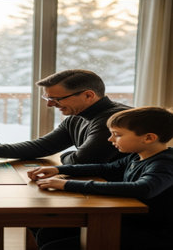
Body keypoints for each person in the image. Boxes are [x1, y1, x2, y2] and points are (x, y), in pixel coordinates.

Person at [27, 107, 173, 250]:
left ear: (148, 138)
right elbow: (104, 168)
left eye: (117, 134)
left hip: (151, 231)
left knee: (54, 246)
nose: (110, 139)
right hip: (126, 219)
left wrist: (67, 184)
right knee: (48, 232)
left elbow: (144, 188)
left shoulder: (165, 163)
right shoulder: (137, 156)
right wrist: (58, 169)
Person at [0, 69, 131, 165]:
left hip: (123, 197)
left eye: (56, 99)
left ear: (88, 95)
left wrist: (65, 155)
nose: (50, 104)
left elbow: (79, 161)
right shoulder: (77, 116)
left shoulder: (115, 120)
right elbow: (42, 146)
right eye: (48, 98)